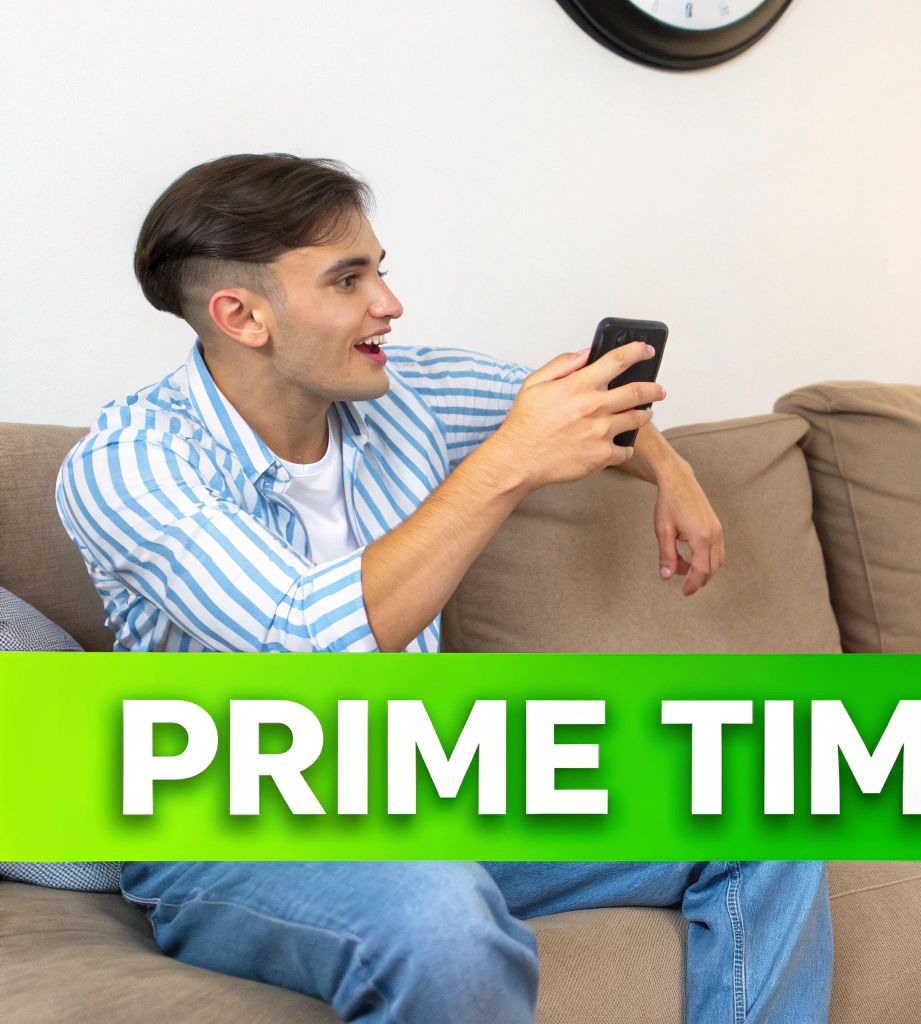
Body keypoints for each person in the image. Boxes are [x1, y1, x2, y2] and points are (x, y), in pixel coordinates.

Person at [53, 153, 832, 1024]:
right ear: (243, 315)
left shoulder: (400, 389)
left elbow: (585, 395)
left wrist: (670, 468)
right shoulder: (129, 465)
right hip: (232, 822)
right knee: (441, 924)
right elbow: (309, 640)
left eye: (379, 270)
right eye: (349, 279)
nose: (389, 302)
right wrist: (505, 466)